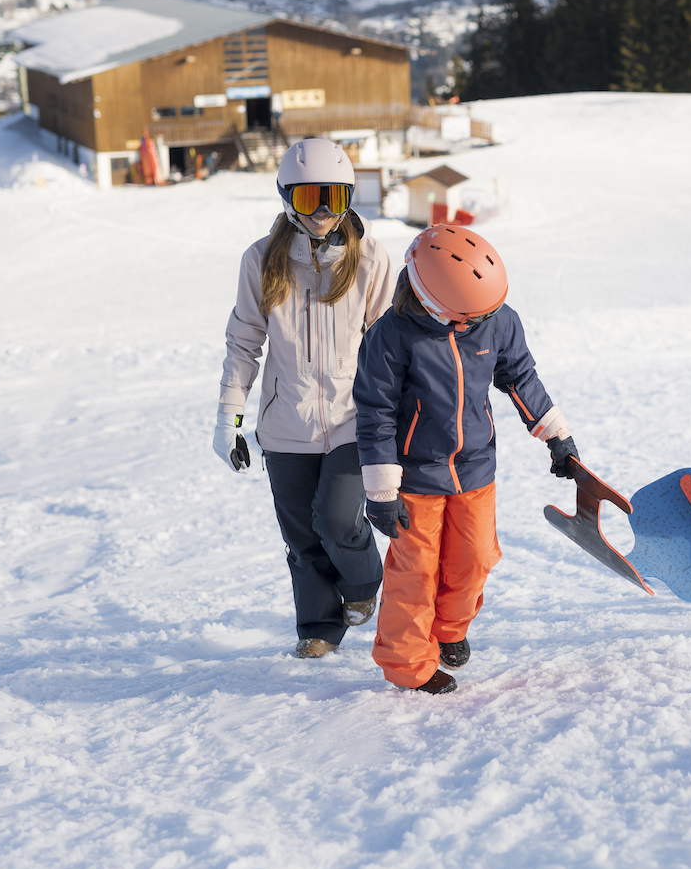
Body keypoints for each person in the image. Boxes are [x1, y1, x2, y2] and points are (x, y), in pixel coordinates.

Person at [354, 224, 578, 695]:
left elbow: (519, 376)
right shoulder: (390, 337)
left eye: (487, 314)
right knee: (414, 573)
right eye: (471, 317)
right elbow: (375, 415)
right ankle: (408, 665)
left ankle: (450, 630)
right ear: (433, 302)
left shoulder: (494, 317)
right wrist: (381, 491)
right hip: (414, 477)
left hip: (476, 468)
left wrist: (557, 435)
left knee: (473, 560)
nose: (483, 323)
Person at [214, 138, 394, 657]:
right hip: (284, 423)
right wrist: (229, 418)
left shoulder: (369, 260)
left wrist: (399, 415)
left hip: (352, 420)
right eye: (308, 196)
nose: (320, 211)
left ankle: (362, 587)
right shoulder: (262, 261)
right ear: (286, 196)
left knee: (339, 521)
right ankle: (318, 628)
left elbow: (388, 345)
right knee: (301, 537)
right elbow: (244, 341)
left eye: (333, 198)